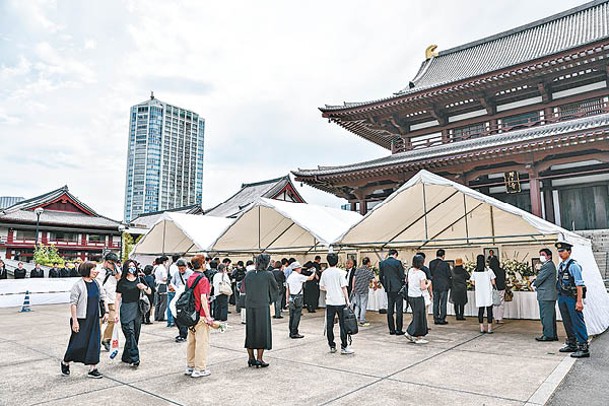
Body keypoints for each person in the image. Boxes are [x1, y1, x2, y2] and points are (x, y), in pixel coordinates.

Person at [61, 261, 109, 379]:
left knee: (94, 343)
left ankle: (93, 368)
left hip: (94, 318)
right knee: (77, 343)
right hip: (81, 319)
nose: (96, 271)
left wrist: (106, 311)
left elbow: (103, 297)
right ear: (86, 270)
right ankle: (65, 362)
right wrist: (75, 320)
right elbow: (73, 304)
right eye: (93, 269)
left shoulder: (97, 283)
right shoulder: (78, 285)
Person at [555, 242, 590, 358]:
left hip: (572, 297)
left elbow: (579, 285)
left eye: (562, 251)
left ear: (569, 252)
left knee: (577, 321)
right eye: (559, 251)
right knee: (567, 321)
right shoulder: (561, 266)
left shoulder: (573, 266)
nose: (560, 253)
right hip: (562, 296)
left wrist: (579, 301)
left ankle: (584, 347)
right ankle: (572, 343)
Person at [115, 259, 152, 368]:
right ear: (126, 268)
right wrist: (116, 313)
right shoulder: (122, 282)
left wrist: (144, 287)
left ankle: (126, 356)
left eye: (133, 266)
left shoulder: (140, 279)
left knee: (135, 334)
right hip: (126, 308)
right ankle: (135, 358)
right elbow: (117, 298)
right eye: (130, 266)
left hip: (137, 309)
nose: (132, 268)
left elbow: (150, 291)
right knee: (129, 332)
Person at [243, 254, 278, 367]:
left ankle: (251, 358)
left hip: (250, 305)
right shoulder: (268, 274)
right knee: (262, 331)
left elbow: (243, 288)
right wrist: (271, 299)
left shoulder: (249, 274)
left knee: (251, 331)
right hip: (262, 305)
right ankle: (259, 358)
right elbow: (275, 288)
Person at [185, 255, 214, 378]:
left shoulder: (190, 277)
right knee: (202, 342)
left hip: (190, 314)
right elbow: (203, 297)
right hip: (201, 314)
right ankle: (200, 369)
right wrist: (208, 316)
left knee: (191, 342)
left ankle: (190, 366)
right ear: (202, 264)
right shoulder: (203, 279)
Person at [320, 253, 354, 354]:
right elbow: (344, 287)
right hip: (340, 301)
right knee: (342, 325)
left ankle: (332, 345)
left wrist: (329, 290)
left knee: (330, 325)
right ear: (337, 261)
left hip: (330, 301)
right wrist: (347, 301)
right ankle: (344, 346)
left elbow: (321, 287)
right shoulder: (341, 272)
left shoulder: (325, 273)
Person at [405, 255, 431, 344]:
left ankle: (416, 335)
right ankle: (412, 334)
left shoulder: (410, 271)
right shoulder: (421, 273)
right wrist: (429, 284)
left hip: (411, 295)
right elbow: (423, 287)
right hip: (418, 296)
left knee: (417, 316)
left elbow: (407, 282)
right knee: (420, 317)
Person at [533, 248, 558, 342]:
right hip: (549, 295)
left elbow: (540, 278)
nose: (541, 256)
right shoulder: (549, 265)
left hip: (546, 295)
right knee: (550, 316)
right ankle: (552, 334)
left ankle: (547, 335)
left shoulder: (547, 266)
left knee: (545, 316)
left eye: (543, 254)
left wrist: (533, 283)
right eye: (540, 254)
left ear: (549, 256)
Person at [286, 261, 316, 338]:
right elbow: (310, 278)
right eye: (299, 268)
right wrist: (314, 272)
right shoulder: (299, 276)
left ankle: (291, 332)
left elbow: (288, 290)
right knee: (297, 315)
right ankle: (294, 332)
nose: (300, 269)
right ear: (296, 268)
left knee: (292, 315)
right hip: (298, 297)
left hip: (291, 297)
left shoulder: (289, 277)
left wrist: (287, 299)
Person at [379, 249, 405, 335]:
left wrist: (386, 285)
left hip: (389, 289)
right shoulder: (397, 263)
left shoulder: (382, 263)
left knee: (390, 309)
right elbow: (402, 276)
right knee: (399, 309)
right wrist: (402, 284)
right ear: (395, 254)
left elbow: (380, 277)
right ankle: (398, 329)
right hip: (398, 288)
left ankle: (391, 329)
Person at [99, 252, 121, 352]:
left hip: (112, 300)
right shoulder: (99, 270)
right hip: (101, 300)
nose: (112, 265)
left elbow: (120, 282)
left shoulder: (117, 271)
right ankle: (96, 342)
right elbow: (99, 287)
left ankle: (106, 339)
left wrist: (117, 275)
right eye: (110, 263)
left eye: (114, 263)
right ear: (106, 262)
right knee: (99, 323)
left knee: (113, 321)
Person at [470, 255, 496, 334]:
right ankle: (489, 328)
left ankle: (481, 327)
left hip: (479, 293)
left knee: (480, 311)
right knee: (489, 310)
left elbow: (472, 282)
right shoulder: (489, 270)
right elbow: (493, 282)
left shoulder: (474, 272)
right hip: (488, 292)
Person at [170, 259, 193, 342]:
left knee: (182, 314)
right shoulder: (176, 274)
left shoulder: (191, 273)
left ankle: (183, 334)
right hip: (178, 296)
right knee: (175, 313)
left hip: (187, 297)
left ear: (186, 266)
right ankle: (181, 332)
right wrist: (172, 287)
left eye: (182, 268)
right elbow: (172, 283)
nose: (181, 270)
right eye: (179, 268)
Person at [429, 249, 452, 325]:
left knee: (435, 303)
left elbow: (430, 274)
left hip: (435, 285)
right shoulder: (445, 264)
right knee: (443, 303)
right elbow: (449, 275)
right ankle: (442, 318)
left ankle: (436, 318)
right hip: (444, 286)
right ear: (443, 256)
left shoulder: (431, 263)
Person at [352, 257, 375, 326]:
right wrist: (376, 286)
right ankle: (362, 320)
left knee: (357, 305)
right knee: (363, 305)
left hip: (357, 289)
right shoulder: (368, 271)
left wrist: (353, 287)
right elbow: (374, 280)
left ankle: (355, 319)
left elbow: (354, 278)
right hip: (364, 290)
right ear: (368, 263)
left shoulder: (358, 269)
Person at [489, 256, 506, 324]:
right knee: (501, 304)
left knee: (494, 304)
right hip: (501, 288)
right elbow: (504, 279)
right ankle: (500, 318)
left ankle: (495, 318)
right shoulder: (502, 271)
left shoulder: (489, 271)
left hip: (493, 289)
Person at [154, 256, 169, 322]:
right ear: (164, 262)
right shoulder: (163, 268)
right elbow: (164, 278)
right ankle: (161, 317)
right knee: (163, 302)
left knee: (158, 302)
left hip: (157, 285)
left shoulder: (157, 268)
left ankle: (156, 316)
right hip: (162, 285)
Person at [166, 255, 181, 327]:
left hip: (171, 288)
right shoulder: (175, 268)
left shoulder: (170, 266)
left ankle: (170, 321)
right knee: (173, 305)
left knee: (170, 304)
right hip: (175, 288)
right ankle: (172, 320)